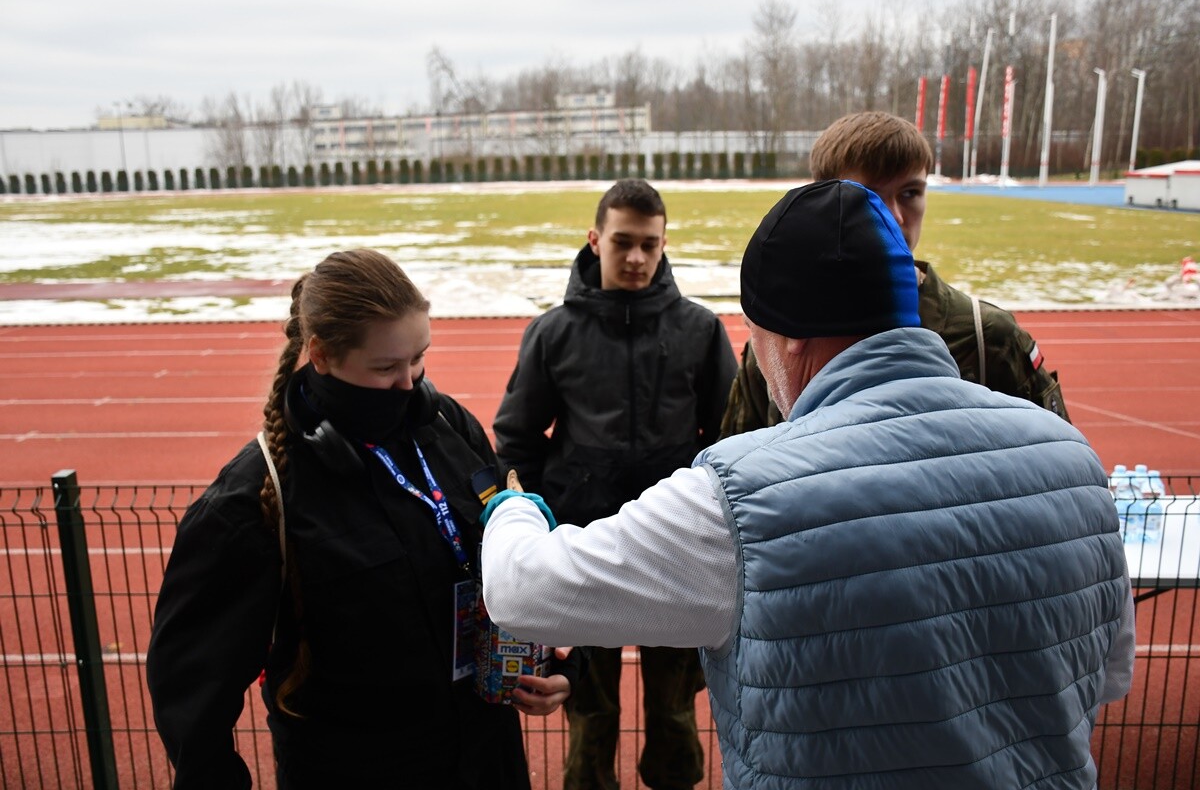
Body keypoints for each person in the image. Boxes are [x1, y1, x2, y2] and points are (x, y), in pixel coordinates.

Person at [481, 180, 1135, 789]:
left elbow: (520, 588)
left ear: (786, 340)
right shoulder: (1073, 460)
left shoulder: (739, 496)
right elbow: (1107, 676)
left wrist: (514, 506)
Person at [146, 249, 573, 789]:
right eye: (386, 367)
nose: (410, 381)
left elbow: (506, 561)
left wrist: (556, 665)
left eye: (419, 358)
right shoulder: (253, 498)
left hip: (488, 759)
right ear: (321, 356)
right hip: (356, 769)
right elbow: (192, 690)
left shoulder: (450, 427)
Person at [491, 178, 737, 790]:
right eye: (622, 242)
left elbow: (731, 436)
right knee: (589, 717)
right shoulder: (553, 333)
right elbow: (517, 440)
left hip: (678, 551)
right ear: (595, 239)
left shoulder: (700, 330)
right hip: (586, 551)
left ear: (663, 244)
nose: (635, 258)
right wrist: (542, 516)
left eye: (648, 245)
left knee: (678, 716)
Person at [720, 110, 1070, 440]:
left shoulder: (986, 337)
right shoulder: (782, 345)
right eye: (867, 196)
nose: (895, 216)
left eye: (910, 193)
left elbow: (1057, 464)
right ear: (822, 199)